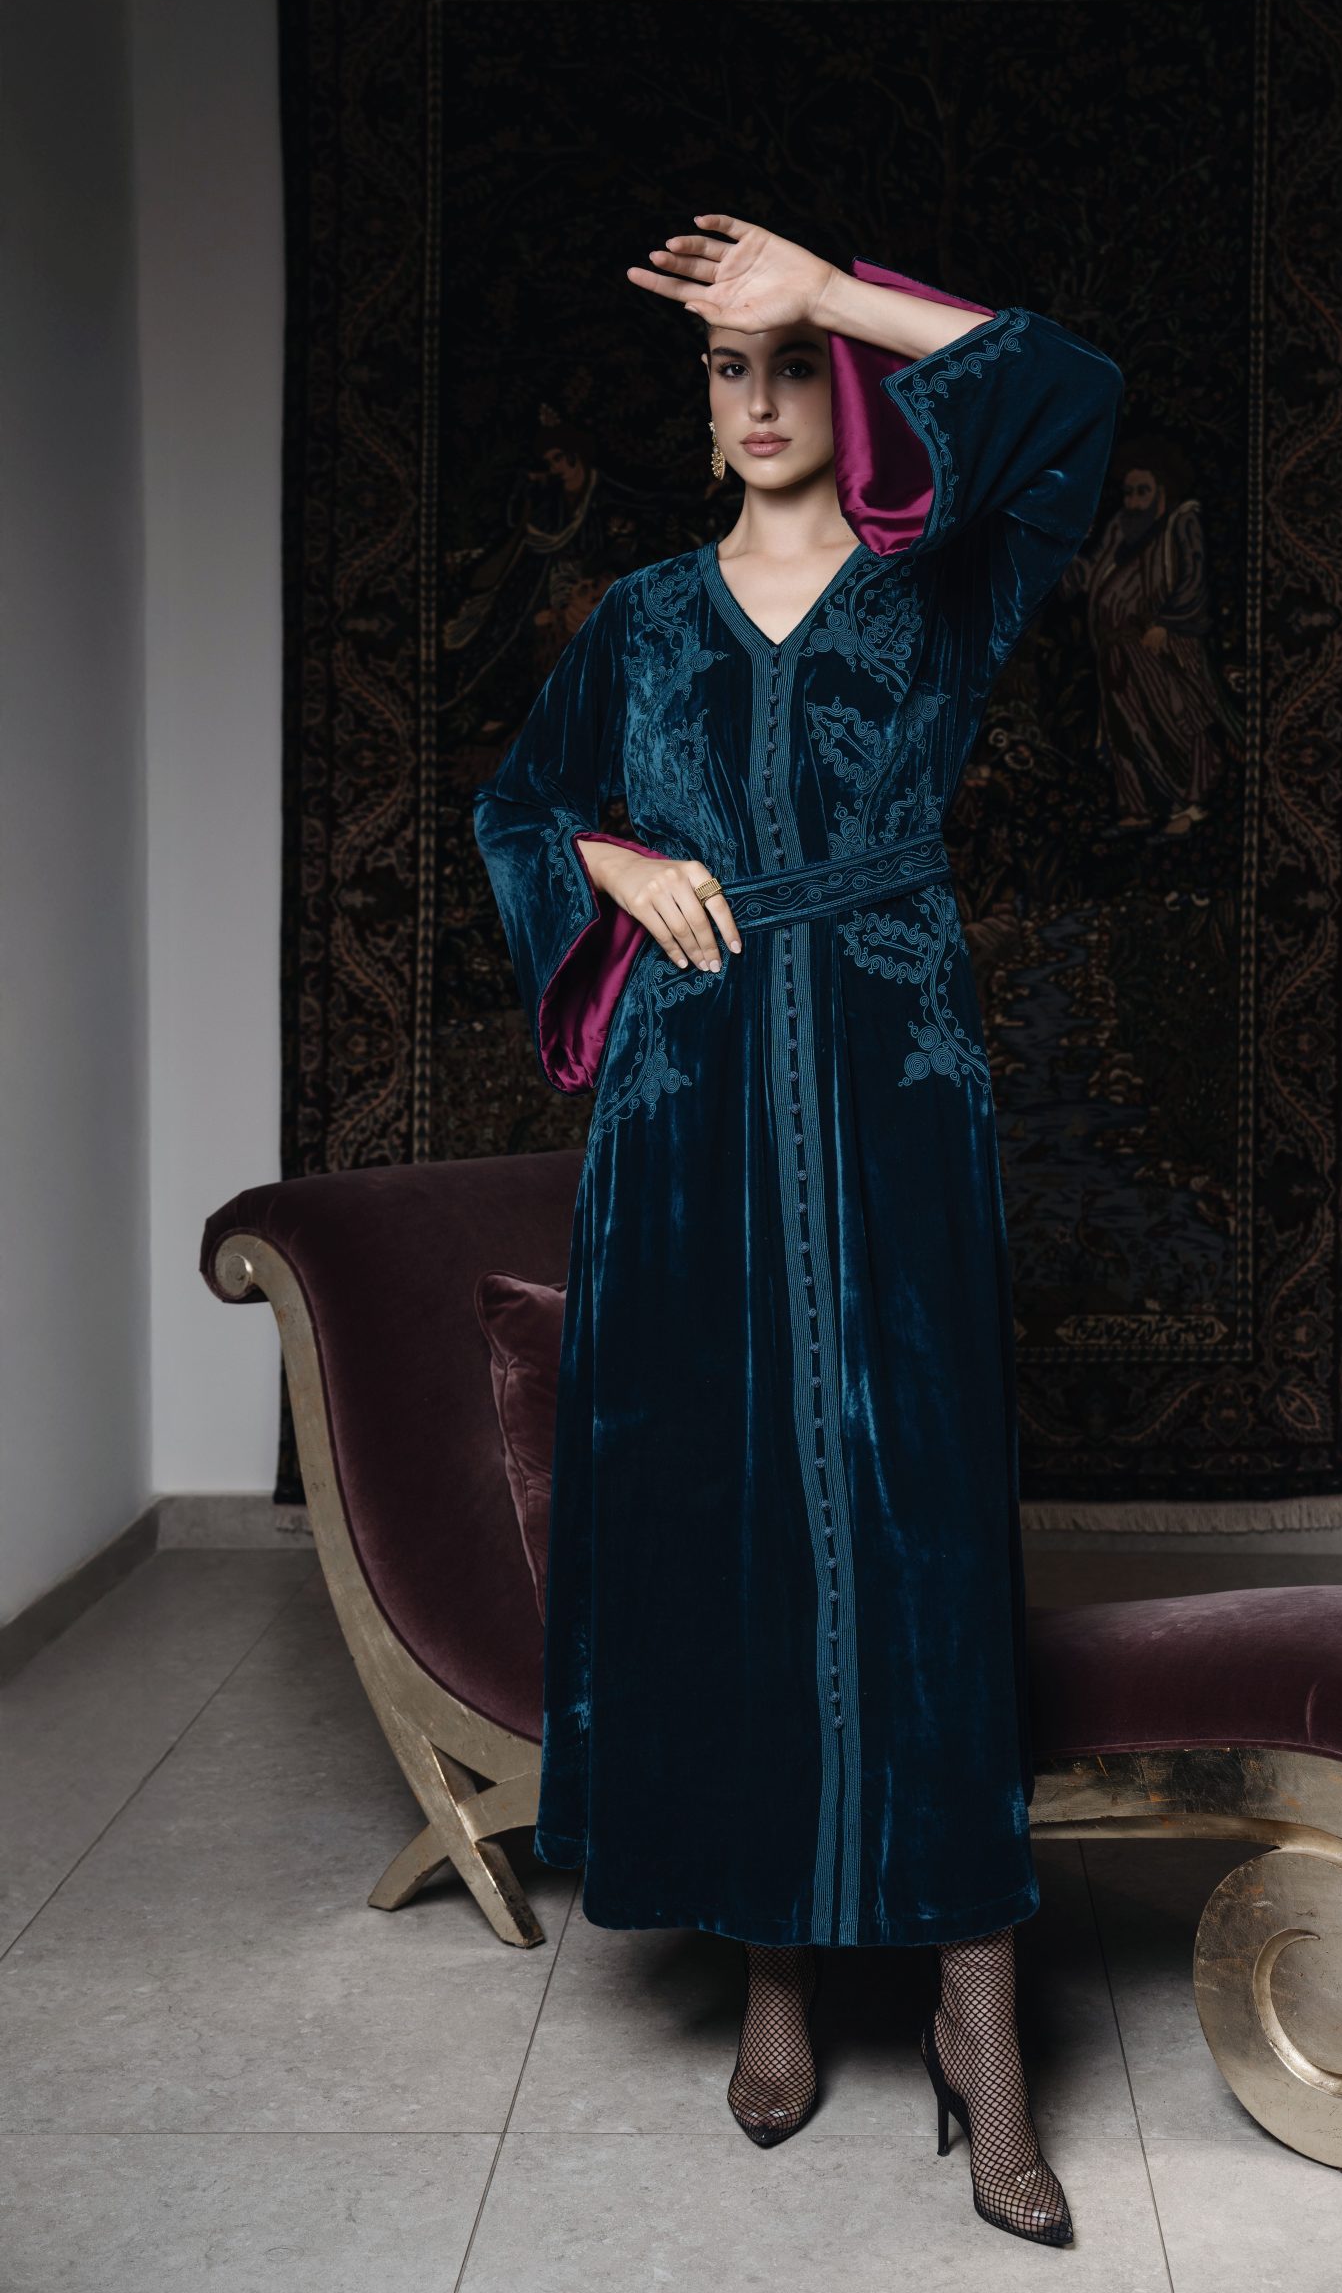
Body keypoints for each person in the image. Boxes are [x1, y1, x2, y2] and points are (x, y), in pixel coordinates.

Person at [474, 214, 1123, 2248]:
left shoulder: (946, 581)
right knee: (728, 1513)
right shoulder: (642, 619)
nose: (752, 400)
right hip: (684, 1119)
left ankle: (977, 2022)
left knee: (919, 1535)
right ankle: (772, 1972)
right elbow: (516, 808)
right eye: (721, 371)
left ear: (842, 389)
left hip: (892, 1082)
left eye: (782, 367)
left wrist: (823, 290)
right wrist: (604, 856)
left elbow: (1073, 390)